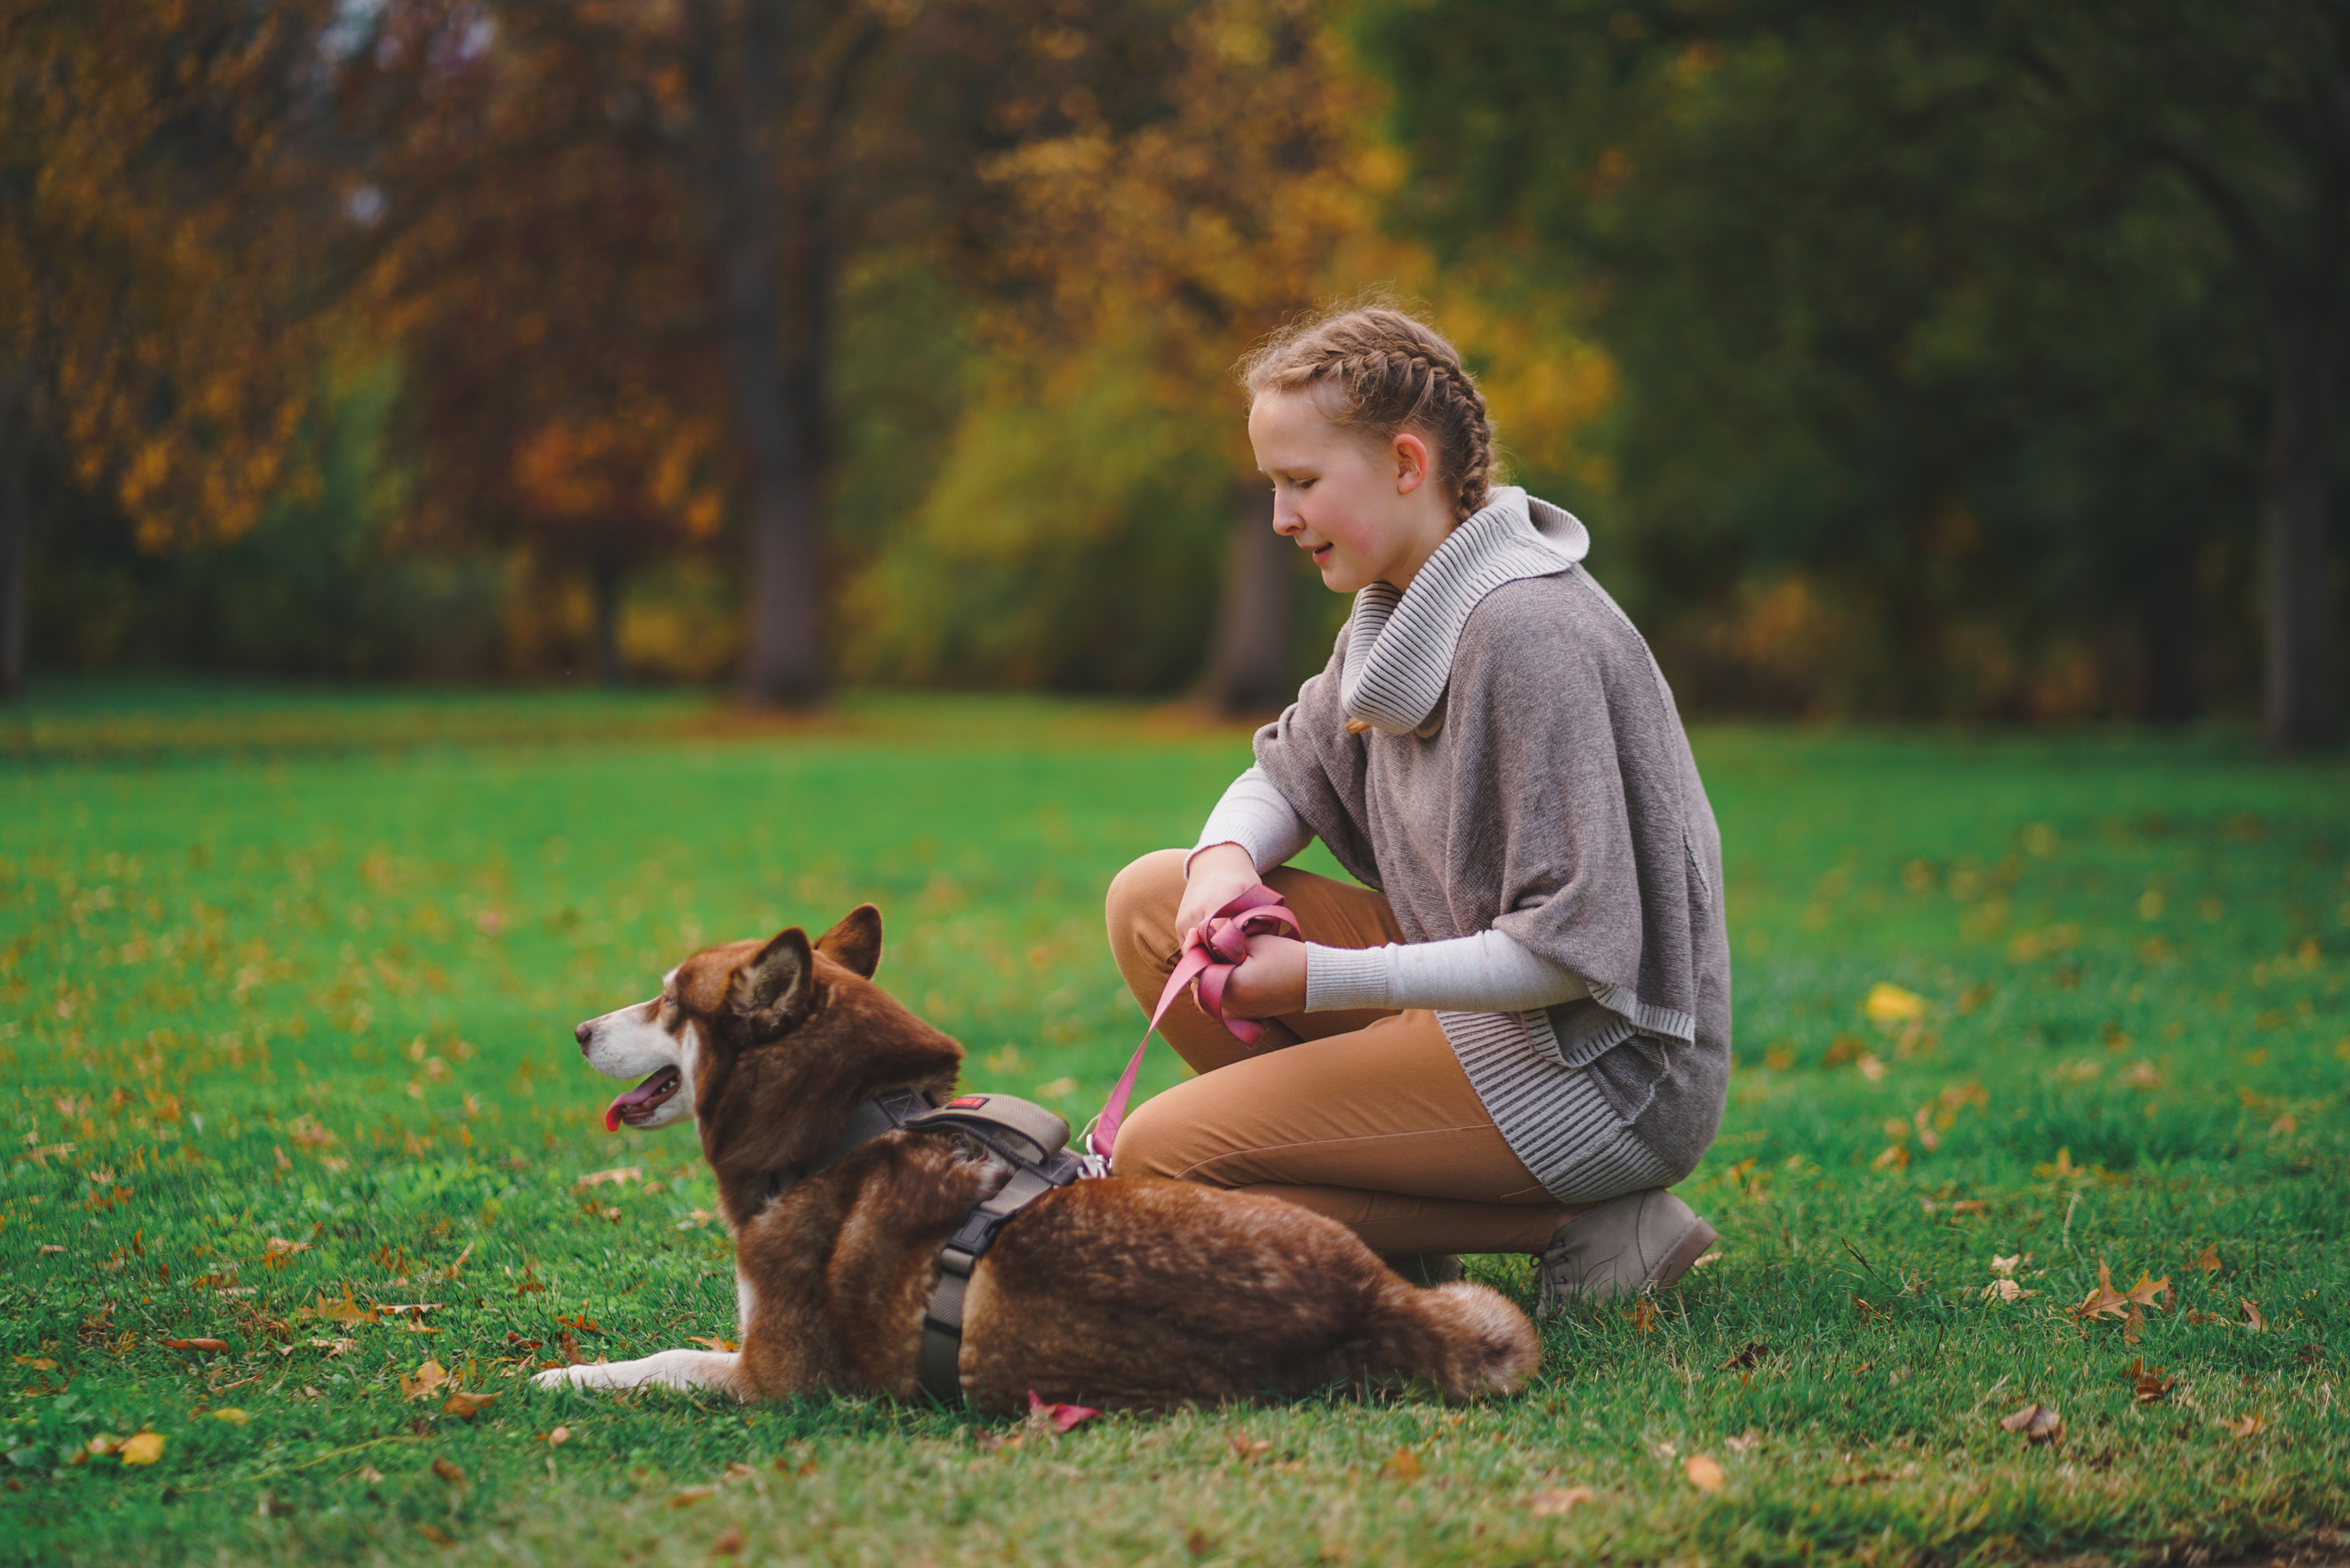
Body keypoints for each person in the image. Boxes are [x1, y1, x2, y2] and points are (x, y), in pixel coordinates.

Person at [1102, 303, 1729, 1310]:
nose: (1280, 518)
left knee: (1162, 1154)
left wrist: (1315, 978)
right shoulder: (1399, 603)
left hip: (1599, 1062)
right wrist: (1222, 870)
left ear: (1406, 463)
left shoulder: (1526, 629)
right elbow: (1283, 771)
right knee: (1153, 898)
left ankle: (1596, 1226)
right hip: (1483, 1004)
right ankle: (1397, 1231)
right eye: (1273, 486)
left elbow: (1571, 953)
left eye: (1301, 483)